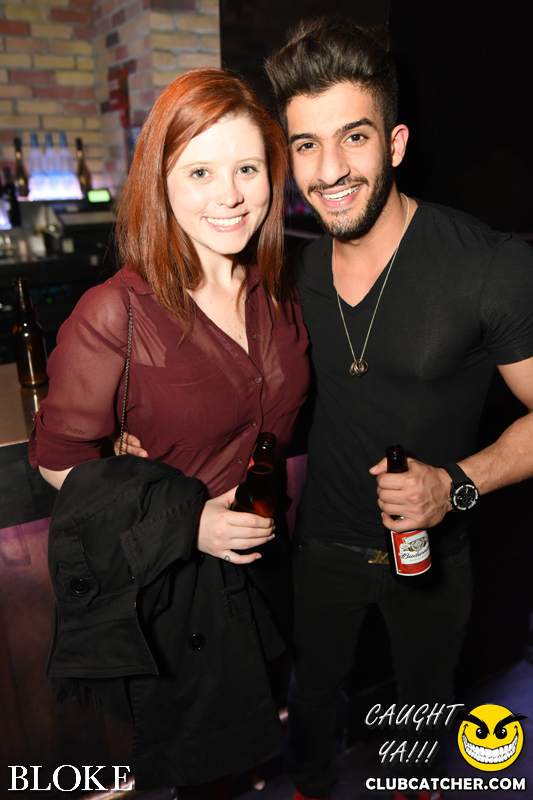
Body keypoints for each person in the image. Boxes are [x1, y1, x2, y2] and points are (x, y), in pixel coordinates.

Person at [264, 16, 533, 800]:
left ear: (395, 143)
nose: (329, 170)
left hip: (433, 554)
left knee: (421, 708)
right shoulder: (296, 272)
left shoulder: (488, 267)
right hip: (320, 547)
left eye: (353, 137)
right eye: (306, 145)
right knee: (312, 697)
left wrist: (453, 485)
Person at [29, 67, 309, 797]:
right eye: (200, 172)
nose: (230, 195)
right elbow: (57, 461)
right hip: (180, 591)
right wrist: (186, 518)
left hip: (270, 568)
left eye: (247, 168)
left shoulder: (280, 290)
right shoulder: (116, 313)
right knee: (207, 774)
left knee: (258, 747)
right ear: (162, 183)